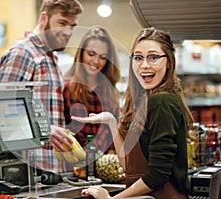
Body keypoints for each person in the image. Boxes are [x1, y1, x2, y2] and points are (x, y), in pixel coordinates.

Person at [72, 27, 194, 198]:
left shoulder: (162, 103)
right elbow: (130, 167)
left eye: (153, 57)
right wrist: (111, 123)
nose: (144, 65)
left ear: (168, 61)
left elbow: (157, 176)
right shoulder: (143, 101)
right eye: (138, 58)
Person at [0, 0, 83, 172]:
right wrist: (44, 130)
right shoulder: (22, 53)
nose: (68, 32)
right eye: (62, 23)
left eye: (72, 26)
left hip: (48, 171)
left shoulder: (50, 57)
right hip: (27, 172)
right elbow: (1, 111)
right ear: (44, 18)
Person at [63, 26, 121, 156]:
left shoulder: (109, 91)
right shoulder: (66, 89)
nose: (96, 61)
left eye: (103, 57)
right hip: (75, 165)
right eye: (91, 54)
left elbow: (116, 128)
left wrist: (111, 155)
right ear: (81, 53)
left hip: (106, 164)